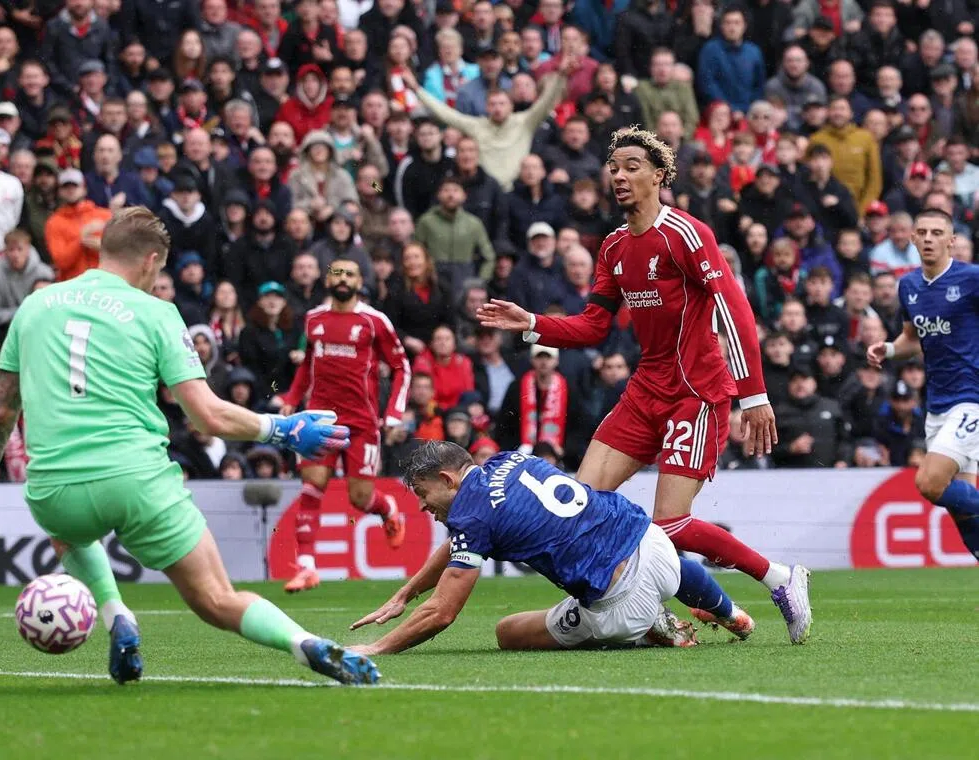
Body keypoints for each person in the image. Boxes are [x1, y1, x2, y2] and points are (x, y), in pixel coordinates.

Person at [0, 207, 380, 687]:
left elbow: (0, 411)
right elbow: (206, 415)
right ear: (151, 261)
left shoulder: (35, 306)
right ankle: (305, 643)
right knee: (217, 599)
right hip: (138, 482)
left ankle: (116, 616)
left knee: (70, 535)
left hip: (55, 490)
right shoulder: (156, 312)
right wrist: (283, 429)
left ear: (102, 250)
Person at [478, 126, 812, 643]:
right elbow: (593, 324)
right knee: (579, 505)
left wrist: (754, 395)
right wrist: (532, 322)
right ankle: (641, 606)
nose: (619, 175)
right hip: (644, 390)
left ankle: (782, 579)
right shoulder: (612, 246)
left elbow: (734, 308)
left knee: (671, 524)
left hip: (696, 394)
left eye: (632, 165)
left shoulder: (685, 233)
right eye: (614, 167)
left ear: (659, 175)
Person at [350, 441, 755, 655]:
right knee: (654, 560)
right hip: (655, 545)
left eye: (423, 493)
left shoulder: (473, 516)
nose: (423, 505)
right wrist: (408, 591)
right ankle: (732, 613)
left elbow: (442, 614)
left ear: (446, 478)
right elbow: (462, 539)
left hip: (620, 605)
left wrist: (377, 647)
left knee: (508, 633)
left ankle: (651, 630)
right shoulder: (508, 459)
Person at [278, 258, 411, 592]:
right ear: (327, 279)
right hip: (319, 417)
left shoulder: (374, 321)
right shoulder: (313, 319)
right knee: (313, 483)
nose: (342, 279)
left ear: (359, 281)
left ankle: (388, 508)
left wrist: (393, 413)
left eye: (349, 274)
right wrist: (291, 398)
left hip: (362, 422)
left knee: (360, 498)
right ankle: (306, 566)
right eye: (337, 273)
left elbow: (401, 367)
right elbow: (307, 362)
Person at [867, 208, 979, 559]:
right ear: (912, 238)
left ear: (951, 240)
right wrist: (887, 348)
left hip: (970, 400)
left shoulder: (971, 279)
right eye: (922, 232)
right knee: (965, 513)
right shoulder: (910, 286)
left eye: (936, 232)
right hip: (938, 406)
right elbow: (912, 339)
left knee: (929, 483)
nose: (929, 238)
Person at [399, 57, 572, 190]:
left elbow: (546, 102)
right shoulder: (477, 125)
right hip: (485, 189)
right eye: (493, 104)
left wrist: (561, 75)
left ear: (511, 106)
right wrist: (416, 89)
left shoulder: (525, 122)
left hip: (517, 188)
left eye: (502, 104)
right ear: (486, 107)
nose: (497, 108)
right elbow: (446, 114)